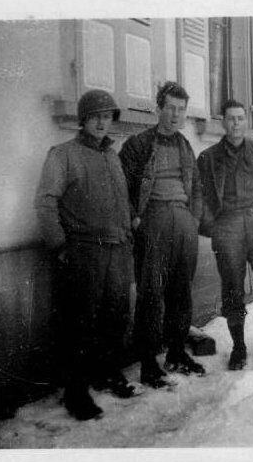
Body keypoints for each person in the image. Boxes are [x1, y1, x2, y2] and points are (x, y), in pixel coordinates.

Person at [35, 89, 140, 421]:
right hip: (83, 252)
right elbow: (46, 201)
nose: (101, 122)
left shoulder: (112, 155)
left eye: (107, 116)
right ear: (83, 120)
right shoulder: (63, 154)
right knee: (79, 323)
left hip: (117, 250)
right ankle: (75, 392)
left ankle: (106, 374)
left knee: (116, 316)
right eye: (95, 116)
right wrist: (60, 246)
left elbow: (119, 200)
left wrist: (129, 226)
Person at [119, 82, 205, 389]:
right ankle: (148, 362)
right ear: (158, 109)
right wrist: (136, 219)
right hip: (153, 220)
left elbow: (195, 187)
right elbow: (123, 188)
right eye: (169, 108)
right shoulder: (138, 144)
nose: (175, 115)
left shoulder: (184, 146)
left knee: (181, 290)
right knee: (151, 294)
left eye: (181, 110)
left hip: (183, 223)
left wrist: (193, 220)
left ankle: (177, 351)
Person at [197, 99, 253, 371]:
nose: (236, 123)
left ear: (246, 121)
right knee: (232, 289)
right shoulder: (209, 158)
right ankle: (239, 348)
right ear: (222, 122)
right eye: (230, 119)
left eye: (240, 118)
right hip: (227, 227)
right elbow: (198, 194)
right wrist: (211, 226)